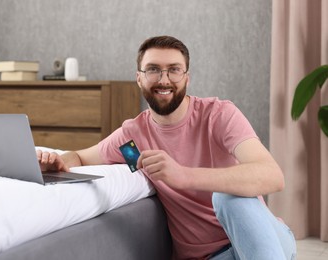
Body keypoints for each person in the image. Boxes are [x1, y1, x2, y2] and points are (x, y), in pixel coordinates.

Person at [38, 35, 296, 260]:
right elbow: (80, 157)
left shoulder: (218, 115)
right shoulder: (132, 137)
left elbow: (272, 176)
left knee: (227, 196)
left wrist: (183, 175)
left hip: (267, 241)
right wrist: (59, 163)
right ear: (139, 79)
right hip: (210, 256)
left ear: (187, 78)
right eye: (153, 70)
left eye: (174, 70)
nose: (164, 80)